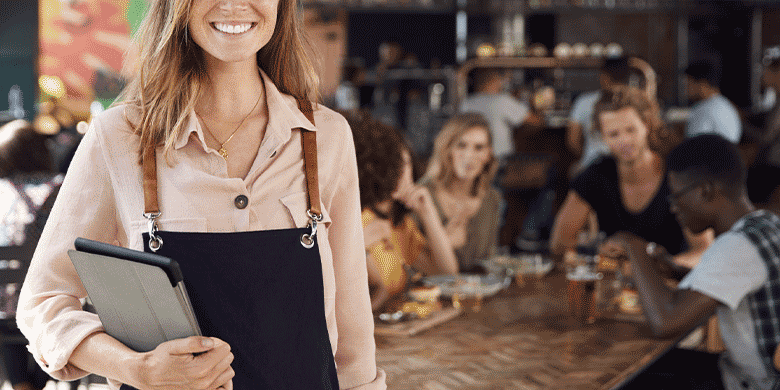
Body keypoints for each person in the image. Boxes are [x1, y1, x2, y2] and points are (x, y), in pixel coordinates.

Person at [16, 1, 385, 389]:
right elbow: (44, 302)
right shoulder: (120, 137)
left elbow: (353, 338)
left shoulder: (325, 137)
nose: (233, 5)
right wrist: (134, 367)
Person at [609, 134, 780, 390]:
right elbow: (733, 282)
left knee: (630, 379)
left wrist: (634, 247)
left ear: (705, 191)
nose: (673, 207)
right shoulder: (765, 223)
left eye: (676, 196)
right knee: (655, 367)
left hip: (756, 384)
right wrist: (676, 271)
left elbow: (665, 322)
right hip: (744, 373)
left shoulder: (737, 247)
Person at [549, 87, 712, 269]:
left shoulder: (679, 175)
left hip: (672, 285)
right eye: (613, 134)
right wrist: (599, 251)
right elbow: (559, 244)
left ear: (647, 125)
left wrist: (660, 268)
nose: (624, 141)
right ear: (602, 137)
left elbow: (704, 250)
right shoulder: (596, 176)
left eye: (631, 130)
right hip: (618, 288)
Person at [348, 111, 458, 312]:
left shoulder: (399, 224)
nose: (399, 173)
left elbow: (447, 274)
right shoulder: (358, 220)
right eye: (391, 165)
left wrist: (428, 213)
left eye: (405, 164)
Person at [0, 120, 63, 390]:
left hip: (4, 306)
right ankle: (32, 385)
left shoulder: (2, 191)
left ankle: (21, 385)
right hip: (49, 307)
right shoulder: (60, 188)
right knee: (52, 307)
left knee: (8, 313)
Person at [419, 113, 503, 271]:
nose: (469, 156)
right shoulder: (423, 195)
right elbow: (406, 261)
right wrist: (442, 243)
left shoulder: (492, 198)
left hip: (478, 292)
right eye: (461, 145)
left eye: (479, 147)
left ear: (488, 154)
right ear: (448, 149)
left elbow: (490, 261)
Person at [460, 68, 543, 161]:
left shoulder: (466, 103)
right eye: (499, 80)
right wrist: (538, 106)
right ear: (493, 81)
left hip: (473, 158)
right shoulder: (501, 100)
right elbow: (535, 121)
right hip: (500, 159)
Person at [566, 56, 631, 173]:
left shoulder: (584, 101)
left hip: (593, 166)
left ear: (603, 76)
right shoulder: (636, 102)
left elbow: (573, 142)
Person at [684, 60, 742, 144]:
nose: (686, 89)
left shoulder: (703, 109)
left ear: (702, 84)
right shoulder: (726, 105)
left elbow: (691, 148)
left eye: (688, 84)